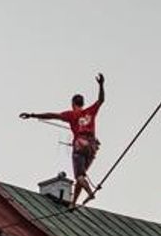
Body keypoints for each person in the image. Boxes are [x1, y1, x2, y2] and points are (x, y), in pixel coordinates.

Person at [20, 73, 105, 205]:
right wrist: (101, 85)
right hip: (92, 146)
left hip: (80, 143)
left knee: (79, 176)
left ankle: (90, 192)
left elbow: (52, 115)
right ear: (82, 103)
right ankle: (73, 203)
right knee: (80, 176)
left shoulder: (71, 114)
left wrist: (33, 115)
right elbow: (101, 100)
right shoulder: (90, 111)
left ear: (73, 103)